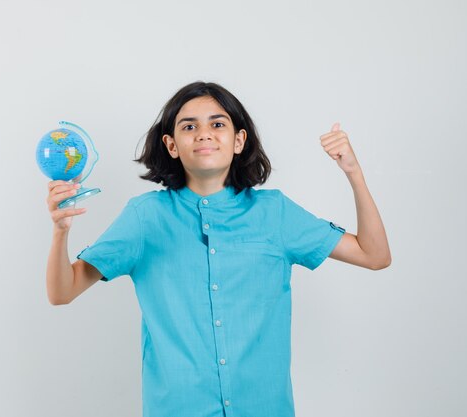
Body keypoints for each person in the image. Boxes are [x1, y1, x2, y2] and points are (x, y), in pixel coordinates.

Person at [45, 81, 391, 417]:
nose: (204, 133)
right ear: (171, 145)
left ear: (239, 140)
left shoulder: (276, 213)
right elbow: (62, 291)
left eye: (218, 123)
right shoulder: (145, 217)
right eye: (189, 126)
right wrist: (60, 232)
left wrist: (353, 172)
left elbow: (373, 255)